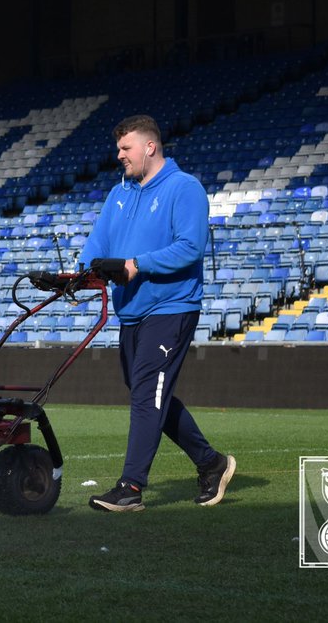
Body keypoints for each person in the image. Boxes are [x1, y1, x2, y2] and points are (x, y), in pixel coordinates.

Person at [78, 114, 235, 512]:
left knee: (148, 392)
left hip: (172, 307)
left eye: (125, 148)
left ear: (150, 147)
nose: (119, 156)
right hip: (131, 312)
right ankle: (212, 463)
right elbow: (97, 243)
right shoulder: (119, 194)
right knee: (149, 393)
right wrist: (79, 274)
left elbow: (190, 247)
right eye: (118, 149)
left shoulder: (185, 189)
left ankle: (131, 488)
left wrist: (137, 263)